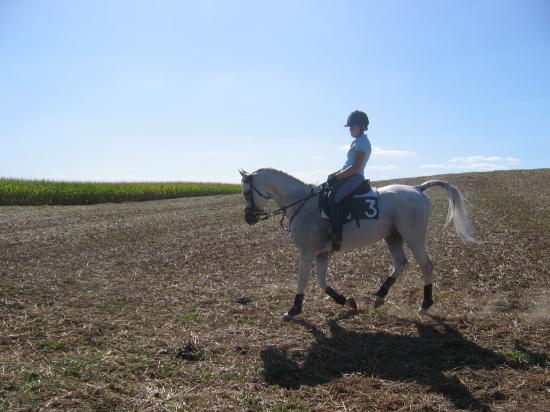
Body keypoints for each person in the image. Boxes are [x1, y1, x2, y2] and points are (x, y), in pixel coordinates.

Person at [327, 110, 372, 251]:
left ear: (361, 126)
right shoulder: (356, 142)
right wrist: (334, 175)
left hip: (355, 177)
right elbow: (347, 165)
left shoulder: (363, 142)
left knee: (334, 198)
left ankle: (337, 235)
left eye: (352, 126)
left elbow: (355, 167)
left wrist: (337, 177)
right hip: (349, 175)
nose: (350, 129)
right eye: (350, 127)